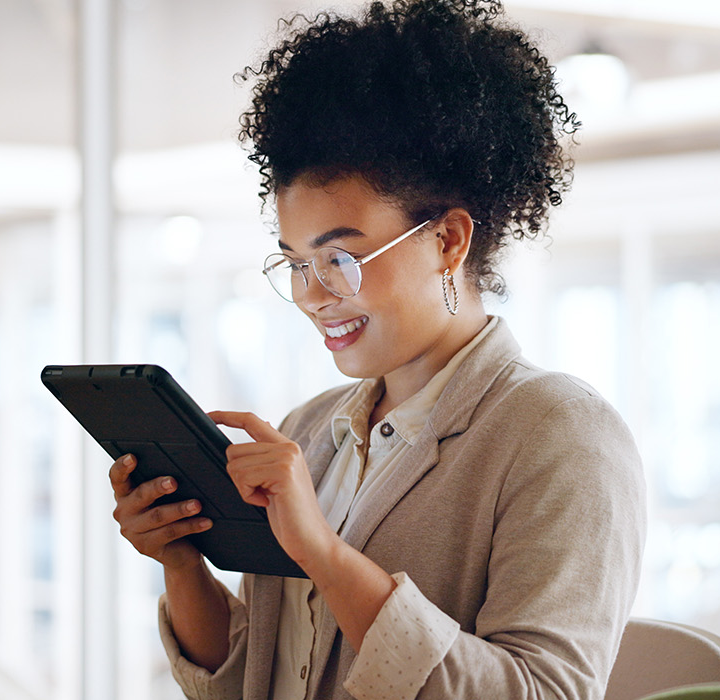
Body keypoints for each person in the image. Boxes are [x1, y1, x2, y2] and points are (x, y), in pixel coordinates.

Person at [106, 1, 645, 698]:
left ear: (448, 240)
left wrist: (325, 557)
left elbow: (543, 693)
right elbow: (254, 680)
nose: (312, 295)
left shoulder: (561, 436)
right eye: (295, 264)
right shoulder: (311, 431)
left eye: (340, 259)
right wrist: (183, 566)